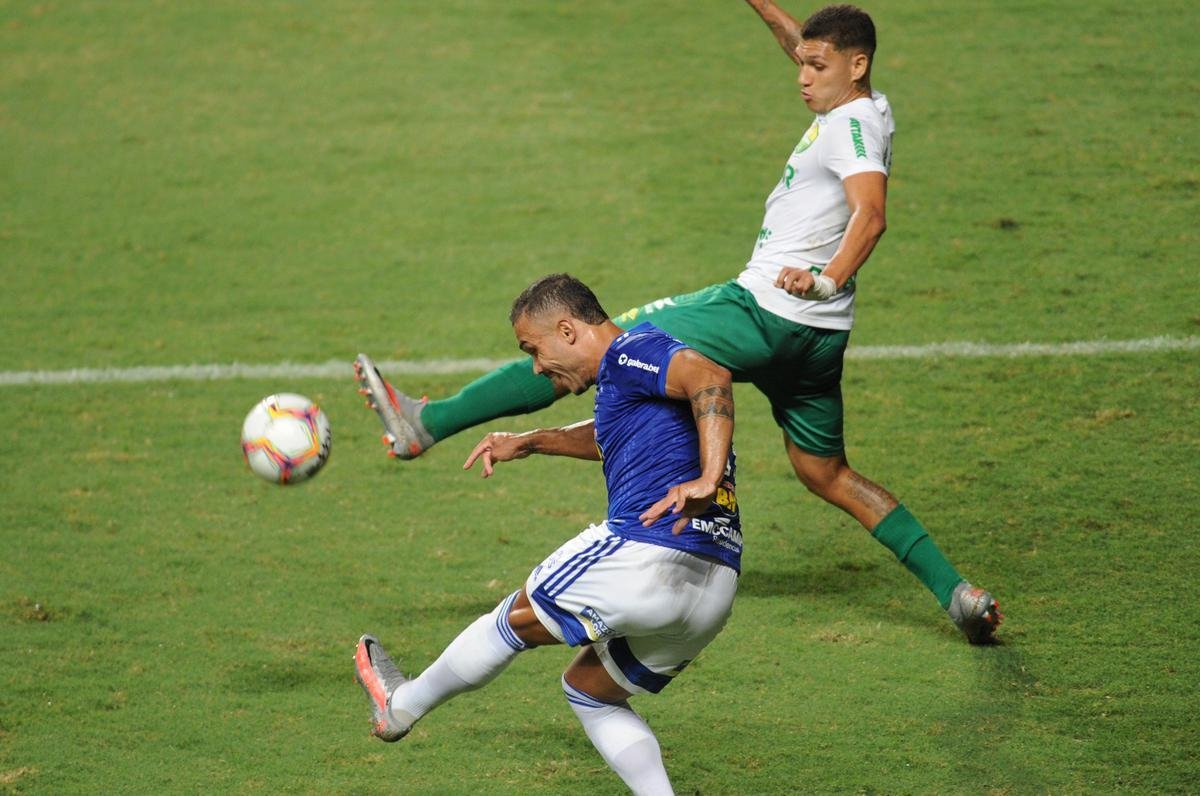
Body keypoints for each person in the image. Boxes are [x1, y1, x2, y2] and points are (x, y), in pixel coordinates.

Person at [353, 3, 1000, 643]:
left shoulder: (849, 127)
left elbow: (871, 214)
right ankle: (959, 594)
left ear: (854, 67)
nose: (802, 75)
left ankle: (425, 424)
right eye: (802, 60)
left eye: (817, 65)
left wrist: (825, 275)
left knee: (604, 342)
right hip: (819, 340)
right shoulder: (864, 103)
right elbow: (804, 49)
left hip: (764, 309)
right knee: (826, 472)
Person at [355, 274, 741, 795]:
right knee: (591, 691)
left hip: (646, 554)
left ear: (567, 329)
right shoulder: (632, 377)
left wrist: (708, 477)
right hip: (713, 585)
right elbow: (613, 435)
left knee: (513, 618)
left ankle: (402, 706)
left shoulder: (632, 352)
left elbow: (711, 376)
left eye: (534, 350)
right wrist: (533, 440)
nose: (537, 367)